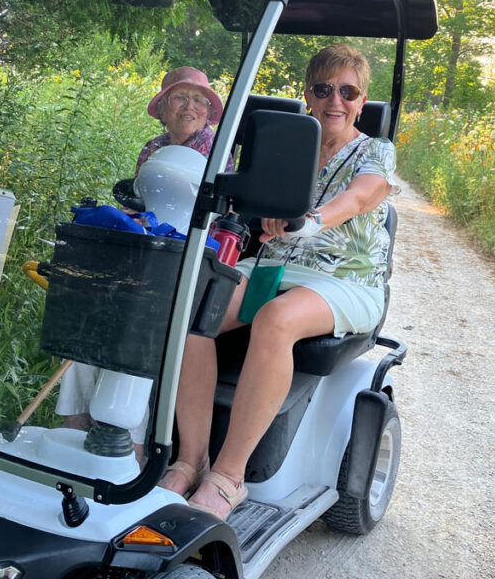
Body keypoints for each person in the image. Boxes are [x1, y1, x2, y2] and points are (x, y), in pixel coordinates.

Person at [160, 44, 398, 519]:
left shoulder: (376, 151)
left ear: (362, 98)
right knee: (195, 306)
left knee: (275, 318)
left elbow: (358, 198)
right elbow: (250, 195)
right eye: (324, 89)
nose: (336, 100)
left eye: (348, 91)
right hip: (275, 267)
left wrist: (308, 220)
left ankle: (229, 478)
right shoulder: (290, 150)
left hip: (344, 276)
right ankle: (191, 458)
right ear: (307, 95)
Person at [55, 66, 231, 450]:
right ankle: (74, 427)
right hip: (150, 254)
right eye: (180, 97)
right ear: (163, 108)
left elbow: (210, 217)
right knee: (89, 320)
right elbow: (148, 207)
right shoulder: (151, 148)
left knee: (140, 328)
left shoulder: (218, 152)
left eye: (200, 99)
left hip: (193, 260)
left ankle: (131, 448)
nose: (191, 106)